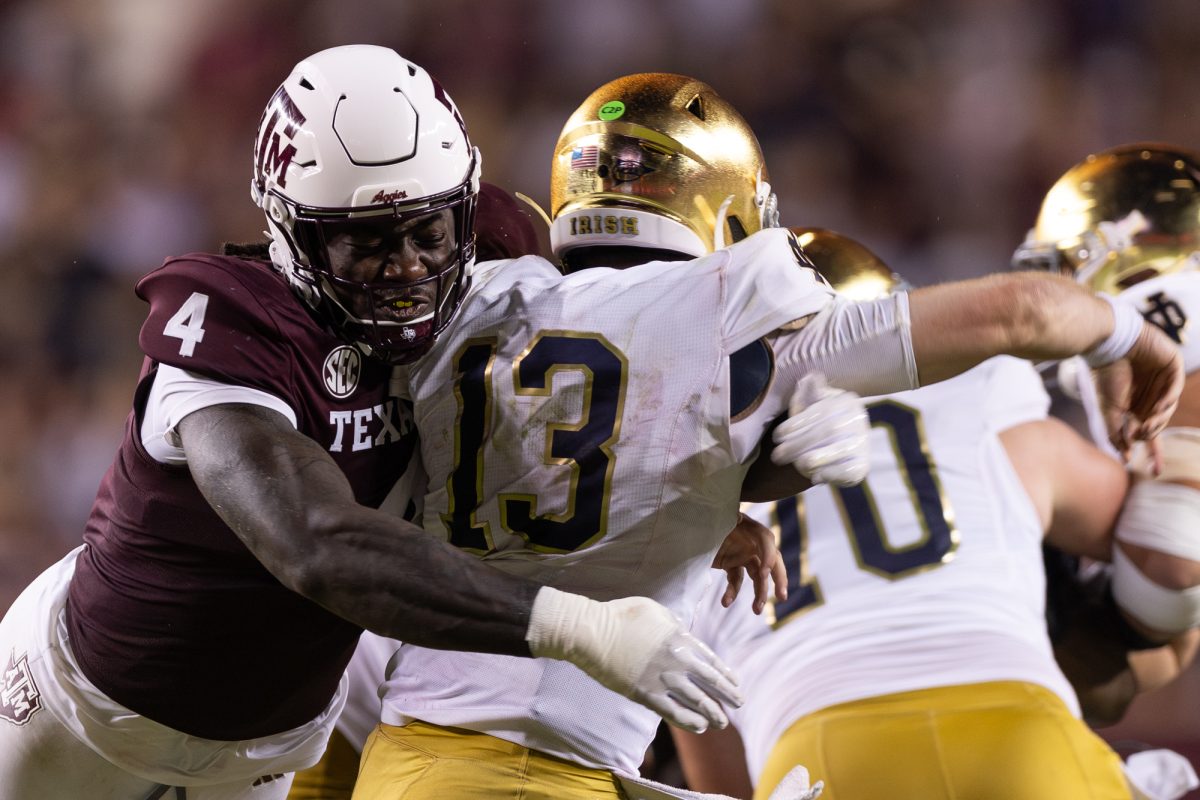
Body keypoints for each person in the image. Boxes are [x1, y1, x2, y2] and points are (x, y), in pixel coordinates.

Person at [349, 73, 1183, 800]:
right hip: (548, 768)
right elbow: (1027, 318)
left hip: (403, 745)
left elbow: (558, 455)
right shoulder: (731, 327)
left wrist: (728, 506)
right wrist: (1131, 339)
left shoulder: (472, 306)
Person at [0, 47, 798, 800]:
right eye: (367, 244)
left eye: (427, 233)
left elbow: (572, 406)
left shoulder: (489, 251)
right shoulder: (233, 324)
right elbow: (315, 543)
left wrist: (696, 494)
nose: (410, 266)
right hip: (84, 703)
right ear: (293, 234)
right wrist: (576, 626)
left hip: (266, 749)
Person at [672, 228, 1199, 800]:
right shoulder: (978, 396)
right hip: (1019, 729)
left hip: (817, 756)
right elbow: (1173, 559)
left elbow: (721, 783)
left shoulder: (665, 489)